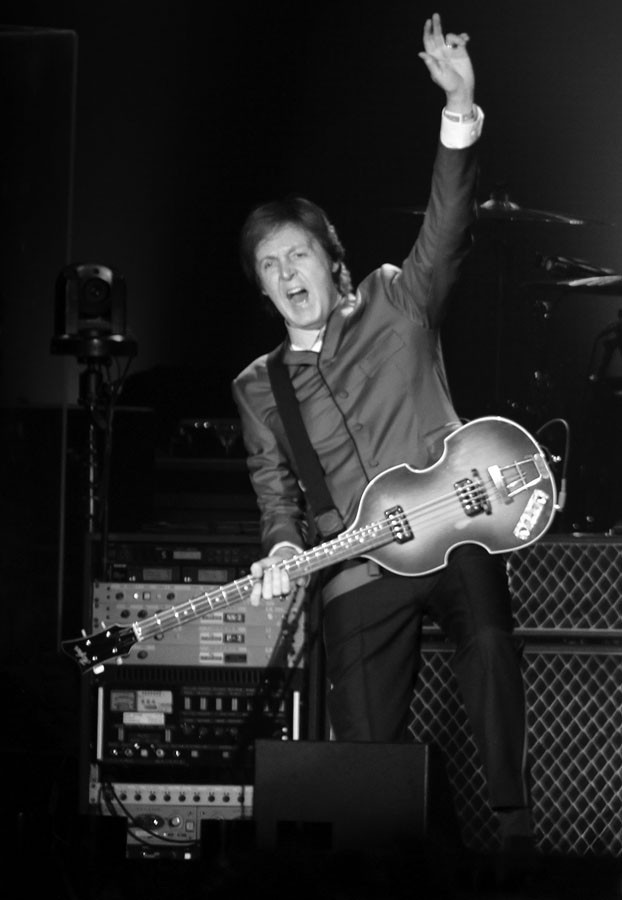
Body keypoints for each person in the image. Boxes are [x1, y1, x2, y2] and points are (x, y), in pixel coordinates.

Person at [232, 11, 537, 883]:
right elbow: (276, 496)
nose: (288, 275)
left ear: (334, 261)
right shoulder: (259, 385)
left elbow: (446, 222)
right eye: (268, 266)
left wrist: (460, 109)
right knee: (364, 748)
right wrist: (286, 548)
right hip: (359, 564)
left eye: (299, 256)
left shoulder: (396, 300)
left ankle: (515, 835)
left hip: (452, 525)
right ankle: (420, 858)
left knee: (486, 641)